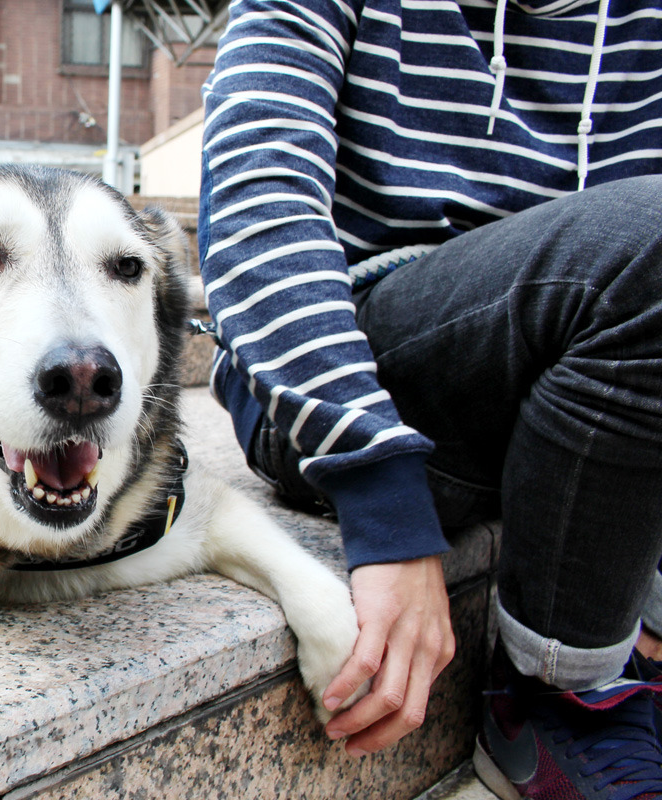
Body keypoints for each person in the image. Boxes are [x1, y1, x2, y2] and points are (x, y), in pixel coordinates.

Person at [197, 0, 662, 796]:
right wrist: (384, 500)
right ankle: (558, 696)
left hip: (570, 389)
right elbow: (255, 203)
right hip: (351, 365)